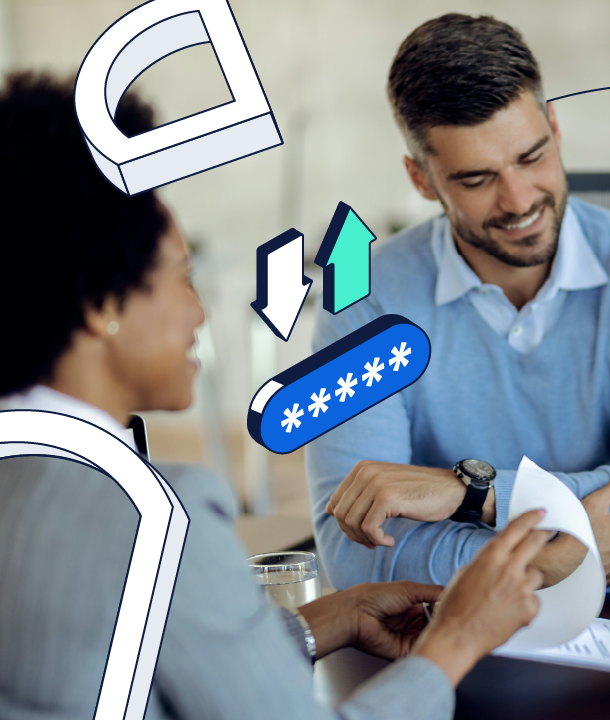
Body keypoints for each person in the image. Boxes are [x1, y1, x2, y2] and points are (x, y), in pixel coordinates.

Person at [0, 71, 551, 720]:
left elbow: (111, 665)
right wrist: (457, 641)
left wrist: (326, 620)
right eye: (180, 278)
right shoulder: (153, 516)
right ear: (101, 305)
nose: (198, 312)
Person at [308, 14, 610, 593]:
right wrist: (557, 559)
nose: (520, 199)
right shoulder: (361, 298)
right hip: (463, 649)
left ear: (553, 126)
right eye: (477, 180)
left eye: (532, 157)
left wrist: (473, 492)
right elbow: (356, 555)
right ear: (422, 179)